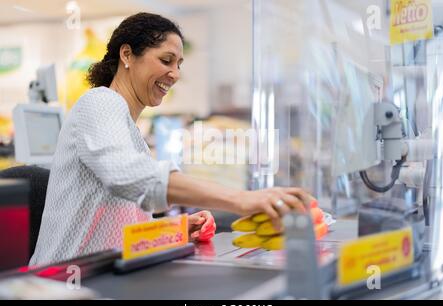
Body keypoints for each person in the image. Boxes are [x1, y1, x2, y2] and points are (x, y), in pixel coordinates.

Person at [29, 12, 313, 266]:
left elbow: (120, 227)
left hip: (102, 278)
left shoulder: (128, 128)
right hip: (63, 285)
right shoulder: (100, 102)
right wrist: (241, 199)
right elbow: (130, 176)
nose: (175, 74)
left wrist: (176, 229)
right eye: (166, 60)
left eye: (179, 64)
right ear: (126, 55)